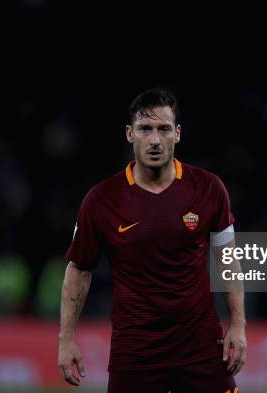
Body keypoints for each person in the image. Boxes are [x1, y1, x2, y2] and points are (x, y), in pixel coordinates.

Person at [58, 88, 246, 392]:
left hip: (200, 348)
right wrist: (66, 340)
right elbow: (79, 270)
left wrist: (238, 324)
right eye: (146, 129)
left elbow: (228, 259)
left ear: (178, 134)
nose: (155, 140)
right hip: (135, 354)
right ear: (130, 134)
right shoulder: (101, 200)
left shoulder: (209, 189)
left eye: (164, 129)